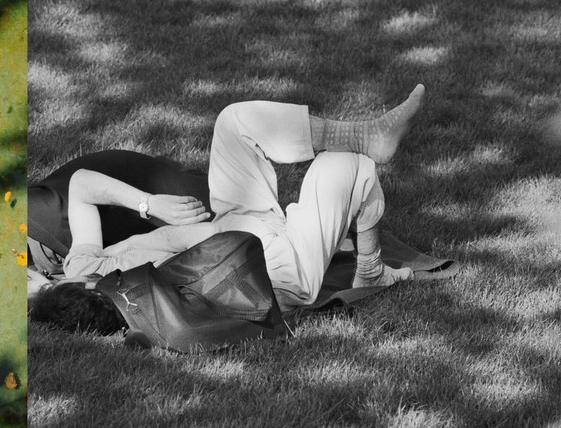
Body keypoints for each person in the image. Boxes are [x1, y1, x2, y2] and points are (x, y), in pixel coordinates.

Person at [29, 85, 425, 331]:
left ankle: (366, 133)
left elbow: (80, 184)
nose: (24, 274)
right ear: (50, 290)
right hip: (273, 269)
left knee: (233, 120)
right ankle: (370, 270)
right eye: (27, 285)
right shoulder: (133, 305)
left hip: (235, 218)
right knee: (345, 165)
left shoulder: (81, 266)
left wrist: (151, 204)